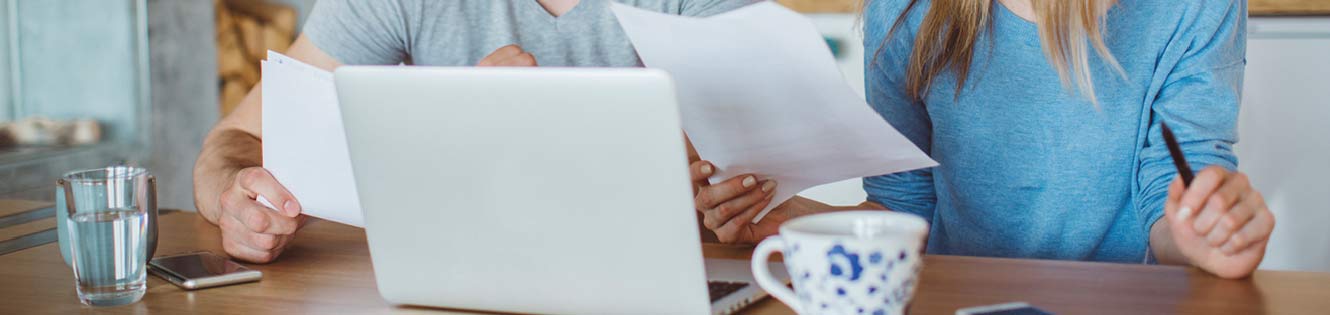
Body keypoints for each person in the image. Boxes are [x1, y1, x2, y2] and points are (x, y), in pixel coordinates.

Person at [691, 0, 1275, 279]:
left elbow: (1175, 190)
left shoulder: (1196, 7)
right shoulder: (905, 12)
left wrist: (1207, 231)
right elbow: (902, 210)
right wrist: (789, 222)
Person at [194, 0, 757, 263]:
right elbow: (236, 139)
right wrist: (237, 201)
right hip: (445, 279)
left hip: (656, 281)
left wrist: (456, 123)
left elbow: (747, 168)